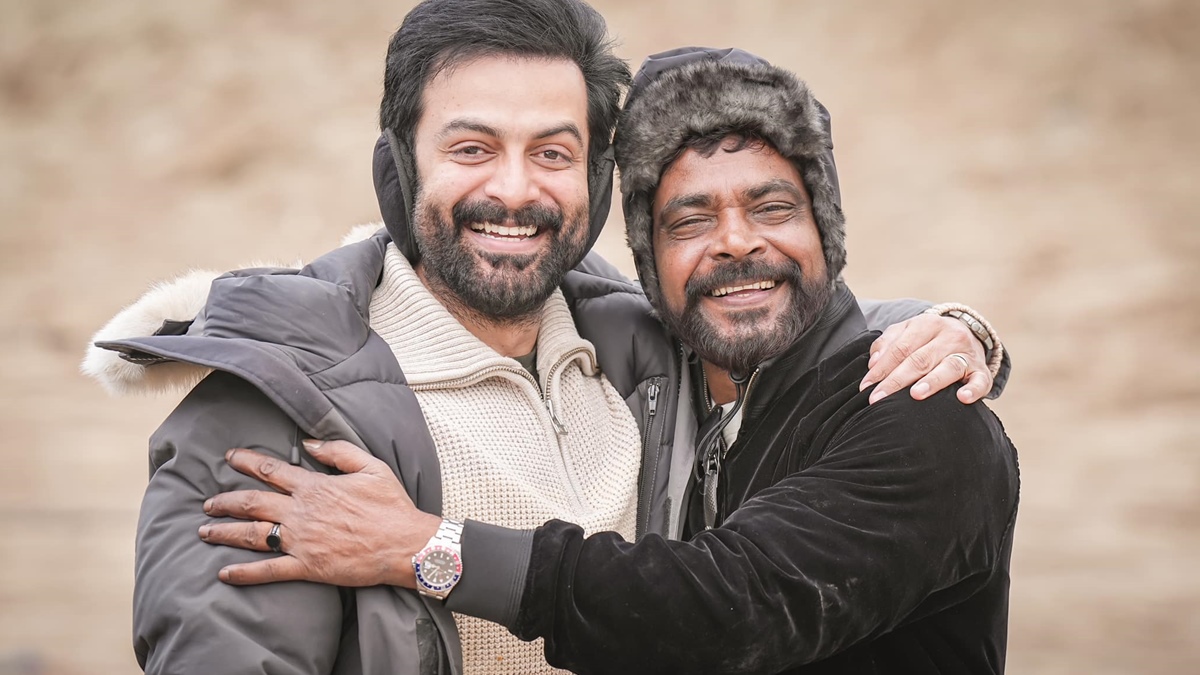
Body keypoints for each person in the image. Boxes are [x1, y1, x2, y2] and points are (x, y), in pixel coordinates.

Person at [82, 3, 1007, 673]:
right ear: (399, 167)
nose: (516, 189)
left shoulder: (641, 362)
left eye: (553, 152)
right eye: (472, 148)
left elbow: (725, 597)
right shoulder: (281, 407)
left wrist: (956, 328)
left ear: (596, 188)